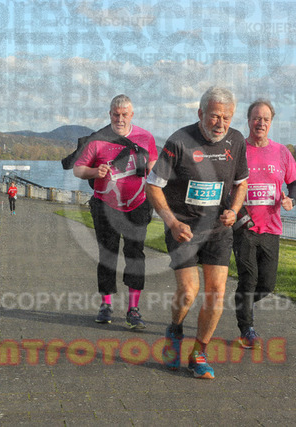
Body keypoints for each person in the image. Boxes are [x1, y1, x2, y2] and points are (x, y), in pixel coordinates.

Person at [146, 87, 248, 379]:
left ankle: (199, 353)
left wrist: (234, 210)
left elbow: (241, 183)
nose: (221, 123)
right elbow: (152, 185)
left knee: (216, 294)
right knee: (189, 292)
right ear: (201, 113)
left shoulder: (236, 141)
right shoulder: (179, 141)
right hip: (184, 229)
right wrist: (172, 222)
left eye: (227, 117)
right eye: (215, 116)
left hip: (218, 229)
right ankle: (175, 330)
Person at [72, 94, 158, 329]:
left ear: (132, 115)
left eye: (124, 114)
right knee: (107, 255)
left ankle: (133, 309)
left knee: (135, 255)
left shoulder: (146, 138)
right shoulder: (98, 141)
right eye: (116, 114)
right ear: (110, 114)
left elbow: (154, 168)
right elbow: (78, 169)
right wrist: (94, 172)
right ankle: (106, 305)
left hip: (138, 204)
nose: (120, 119)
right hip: (105, 206)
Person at [232, 98, 296, 348]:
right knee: (249, 278)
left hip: (271, 228)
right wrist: (239, 215)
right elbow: (225, 186)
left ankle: (242, 303)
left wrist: (291, 200)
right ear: (248, 120)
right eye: (256, 118)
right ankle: (247, 329)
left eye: (265, 119)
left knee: (267, 284)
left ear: (271, 122)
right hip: (244, 227)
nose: (260, 123)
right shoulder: (238, 150)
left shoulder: (281, 152)